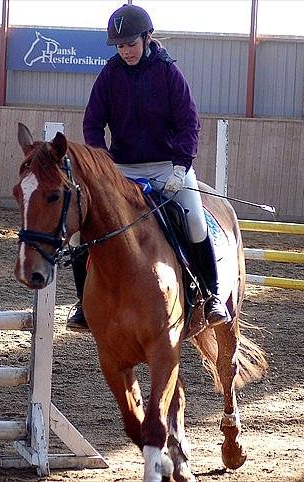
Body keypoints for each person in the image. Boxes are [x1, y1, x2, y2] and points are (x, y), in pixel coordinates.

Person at [66, 3, 228, 331]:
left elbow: (188, 123)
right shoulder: (110, 75)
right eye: (120, 46)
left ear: (147, 38)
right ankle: (83, 303)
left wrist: (181, 167)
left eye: (131, 44)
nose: (125, 51)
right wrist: (103, 164)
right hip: (123, 170)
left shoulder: (168, 74)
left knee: (195, 221)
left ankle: (211, 296)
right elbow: (93, 123)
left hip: (168, 166)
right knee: (81, 234)